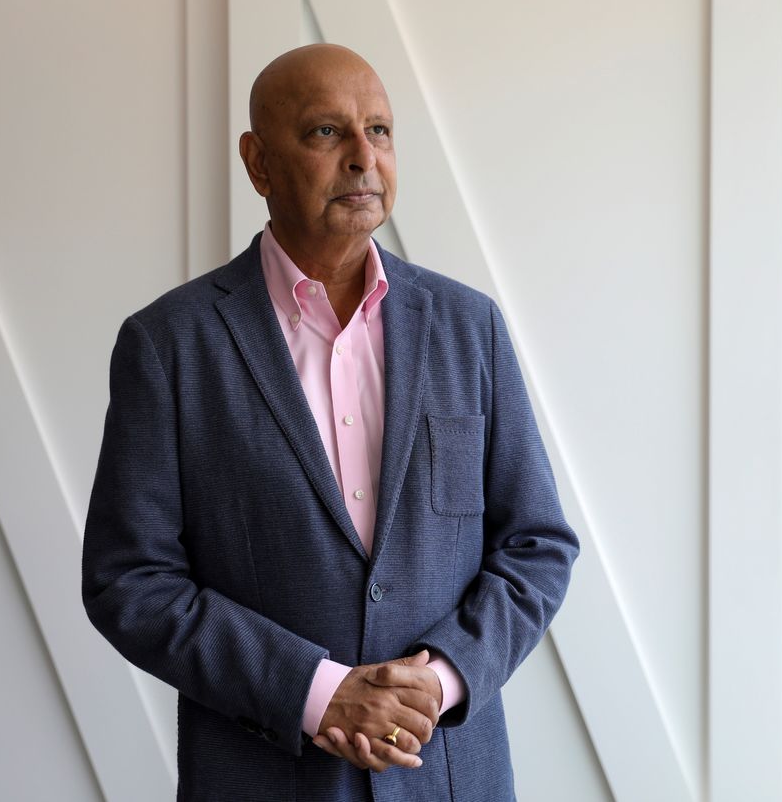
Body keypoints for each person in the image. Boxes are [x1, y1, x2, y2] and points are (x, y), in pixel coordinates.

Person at [81, 43, 579, 802]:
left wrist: (440, 680)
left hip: (448, 778)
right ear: (258, 163)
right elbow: (130, 581)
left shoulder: (469, 326)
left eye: (379, 130)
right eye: (326, 132)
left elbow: (536, 545)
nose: (362, 157)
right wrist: (315, 693)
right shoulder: (169, 344)